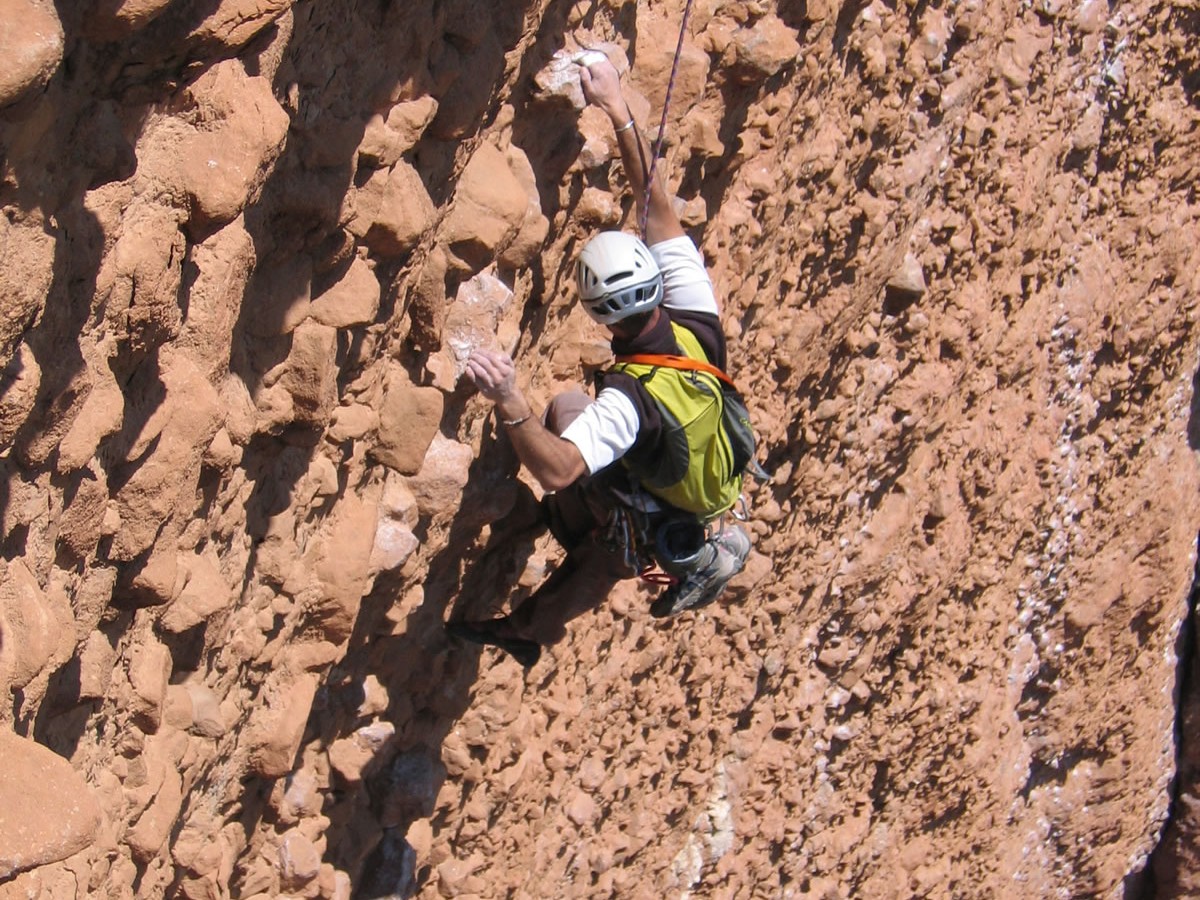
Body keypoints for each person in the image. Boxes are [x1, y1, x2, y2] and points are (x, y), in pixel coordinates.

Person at [446, 55, 752, 669]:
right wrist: (618, 109)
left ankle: (536, 617)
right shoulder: (697, 321)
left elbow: (559, 469)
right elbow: (657, 203)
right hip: (698, 481)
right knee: (570, 418)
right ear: (654, 285)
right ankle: (574, 562)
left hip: (654, 496)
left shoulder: (631, 403)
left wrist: (509, 399)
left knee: (570, 439)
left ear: (598, 316)